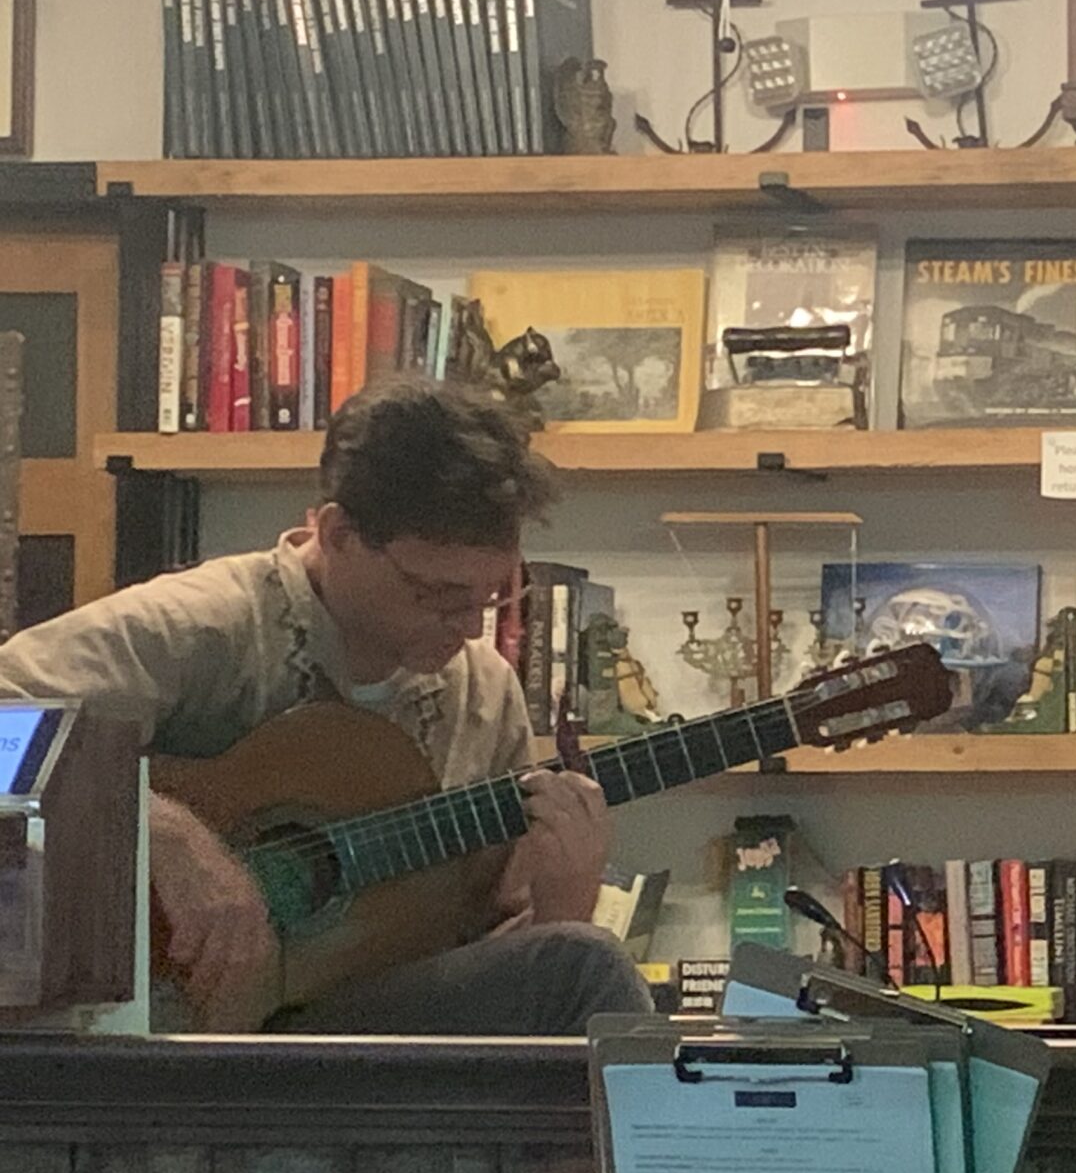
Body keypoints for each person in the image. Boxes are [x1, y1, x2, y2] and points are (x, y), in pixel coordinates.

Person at [0, 378, 651, 1034]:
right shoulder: (203, 624)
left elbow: (492, 962)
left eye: (491, 597)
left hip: (357, 1035)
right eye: (435, 593)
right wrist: (159, 829)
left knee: (582, 963)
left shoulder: (484, 695)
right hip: (146, 1025)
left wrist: (564, 901)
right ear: (338, 533)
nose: (469, 626)